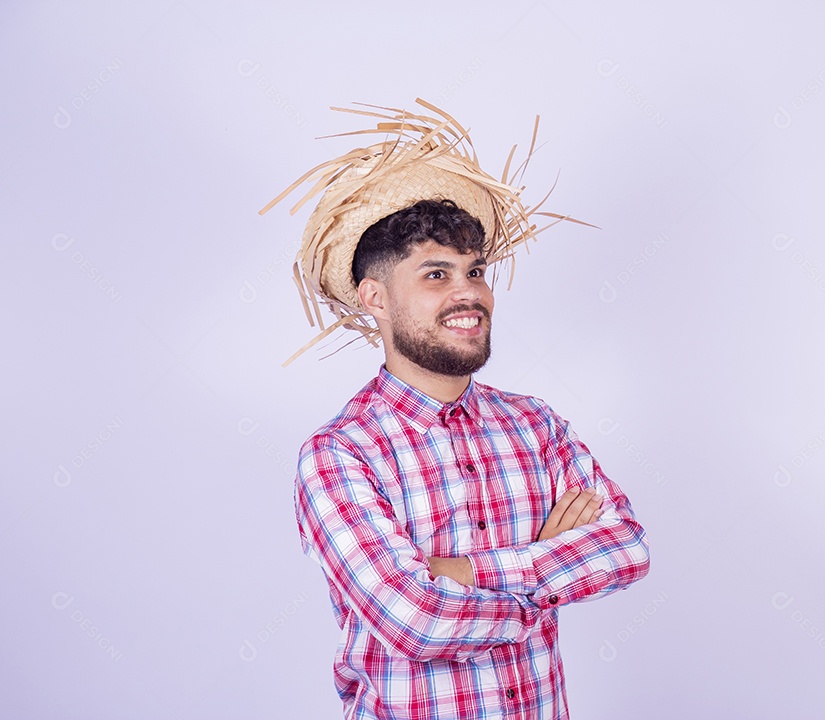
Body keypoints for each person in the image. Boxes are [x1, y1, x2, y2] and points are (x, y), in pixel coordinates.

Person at [263, 100, 650, 720]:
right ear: (374, 298)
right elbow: (417, 621)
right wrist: (544, 577)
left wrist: (463, 572)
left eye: (475, 271)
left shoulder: (536, 425)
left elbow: (626, 549)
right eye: (436, 275)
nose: (469, 292)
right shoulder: (340, 455)